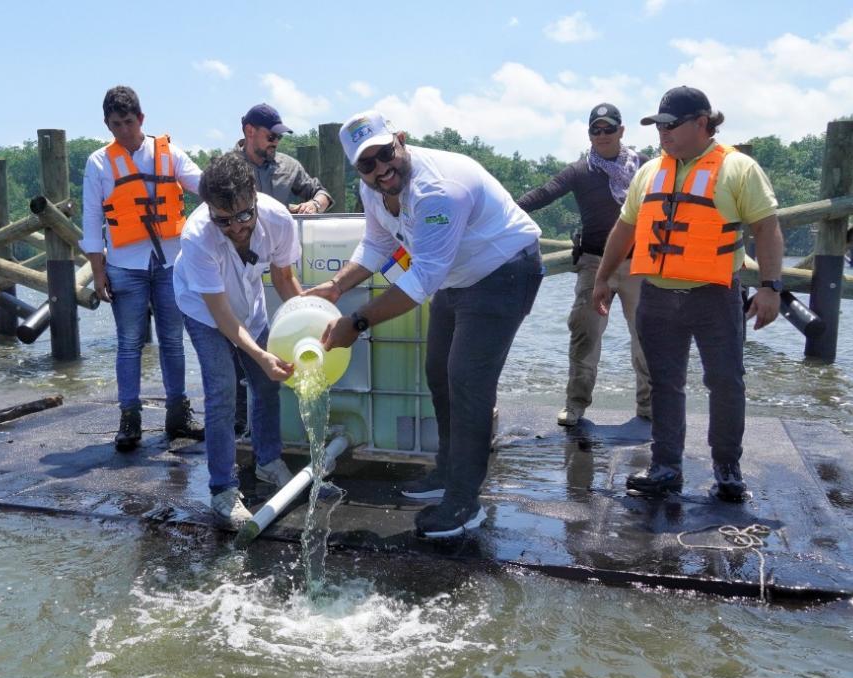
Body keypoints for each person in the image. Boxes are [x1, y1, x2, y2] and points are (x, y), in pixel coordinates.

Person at [312, 111, 545, 538]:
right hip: (457, 275)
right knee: (439, 374)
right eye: (367, 164)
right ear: (356, 169)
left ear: (400, 140)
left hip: (505, 270)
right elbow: (377, 243)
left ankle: (463, 502)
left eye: (386, 154)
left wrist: (357, 321)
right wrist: (334, 286)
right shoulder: (374, 190)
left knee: (467, 382)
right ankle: (447, 473)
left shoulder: (438, 190)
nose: (382, 169)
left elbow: (420, 279)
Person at [592, 86, 785, 502]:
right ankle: (665, 468)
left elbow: (767, 228)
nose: (663, 134)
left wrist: (771, 288)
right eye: (658, 126)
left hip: (714, 295)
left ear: (702, 123)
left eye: (671, 126)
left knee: (726, 382)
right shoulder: (649, 172)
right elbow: (625, 228)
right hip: (657, 296)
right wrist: (603, 276)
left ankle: (727, 469)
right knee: (664, 382)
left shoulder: (739, 168)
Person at [173, 153, 303, 526]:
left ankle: (268, 462)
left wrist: (314, 322)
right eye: (223, 219)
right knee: (222, 391)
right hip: (204, 312)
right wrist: (260, 354)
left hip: (249, 308)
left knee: (266, 385)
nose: (236, 227)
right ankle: (222, 489)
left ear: (255, 195)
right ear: (208, 208)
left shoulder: (278, 220)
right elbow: (221, 316)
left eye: (245, 215)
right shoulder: (197, 236)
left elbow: (283, 280)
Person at [81, 86, 204, 452]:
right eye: (115, 124)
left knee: (172, 341)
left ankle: (178, 416)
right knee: (129, 344)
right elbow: (91, 220)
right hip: (124, 266)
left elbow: (204, 186)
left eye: (129, 122)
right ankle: (130, 419)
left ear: (142, 119)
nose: (123, 130)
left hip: (170, 263)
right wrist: (98, 271)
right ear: (106, 124)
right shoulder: (98, 162)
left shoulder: (170, 154)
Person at [517, 103, 651, 426]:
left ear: (622, 131)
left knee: (647, 338)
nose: (602, 135)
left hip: (640, 264)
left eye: (609, 129)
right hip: (593, 263)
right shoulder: (580, 171)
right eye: (596, 130)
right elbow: (544, 194)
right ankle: (575, 405)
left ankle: (649, 408)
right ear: (589, 134)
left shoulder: (647, 167)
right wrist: (501, 209)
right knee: (584, 335)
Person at [230, 103, 334, 436]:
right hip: (237, 266)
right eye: (271, 135)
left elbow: (323, 193)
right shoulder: (227, 168)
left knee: (275, 341)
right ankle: (238, 418)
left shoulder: (290, 167)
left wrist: (313, 205)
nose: (277, 142)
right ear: (249, 132)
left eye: (280, 136)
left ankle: (276, 419)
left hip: (279, 262)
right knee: (236, 343)